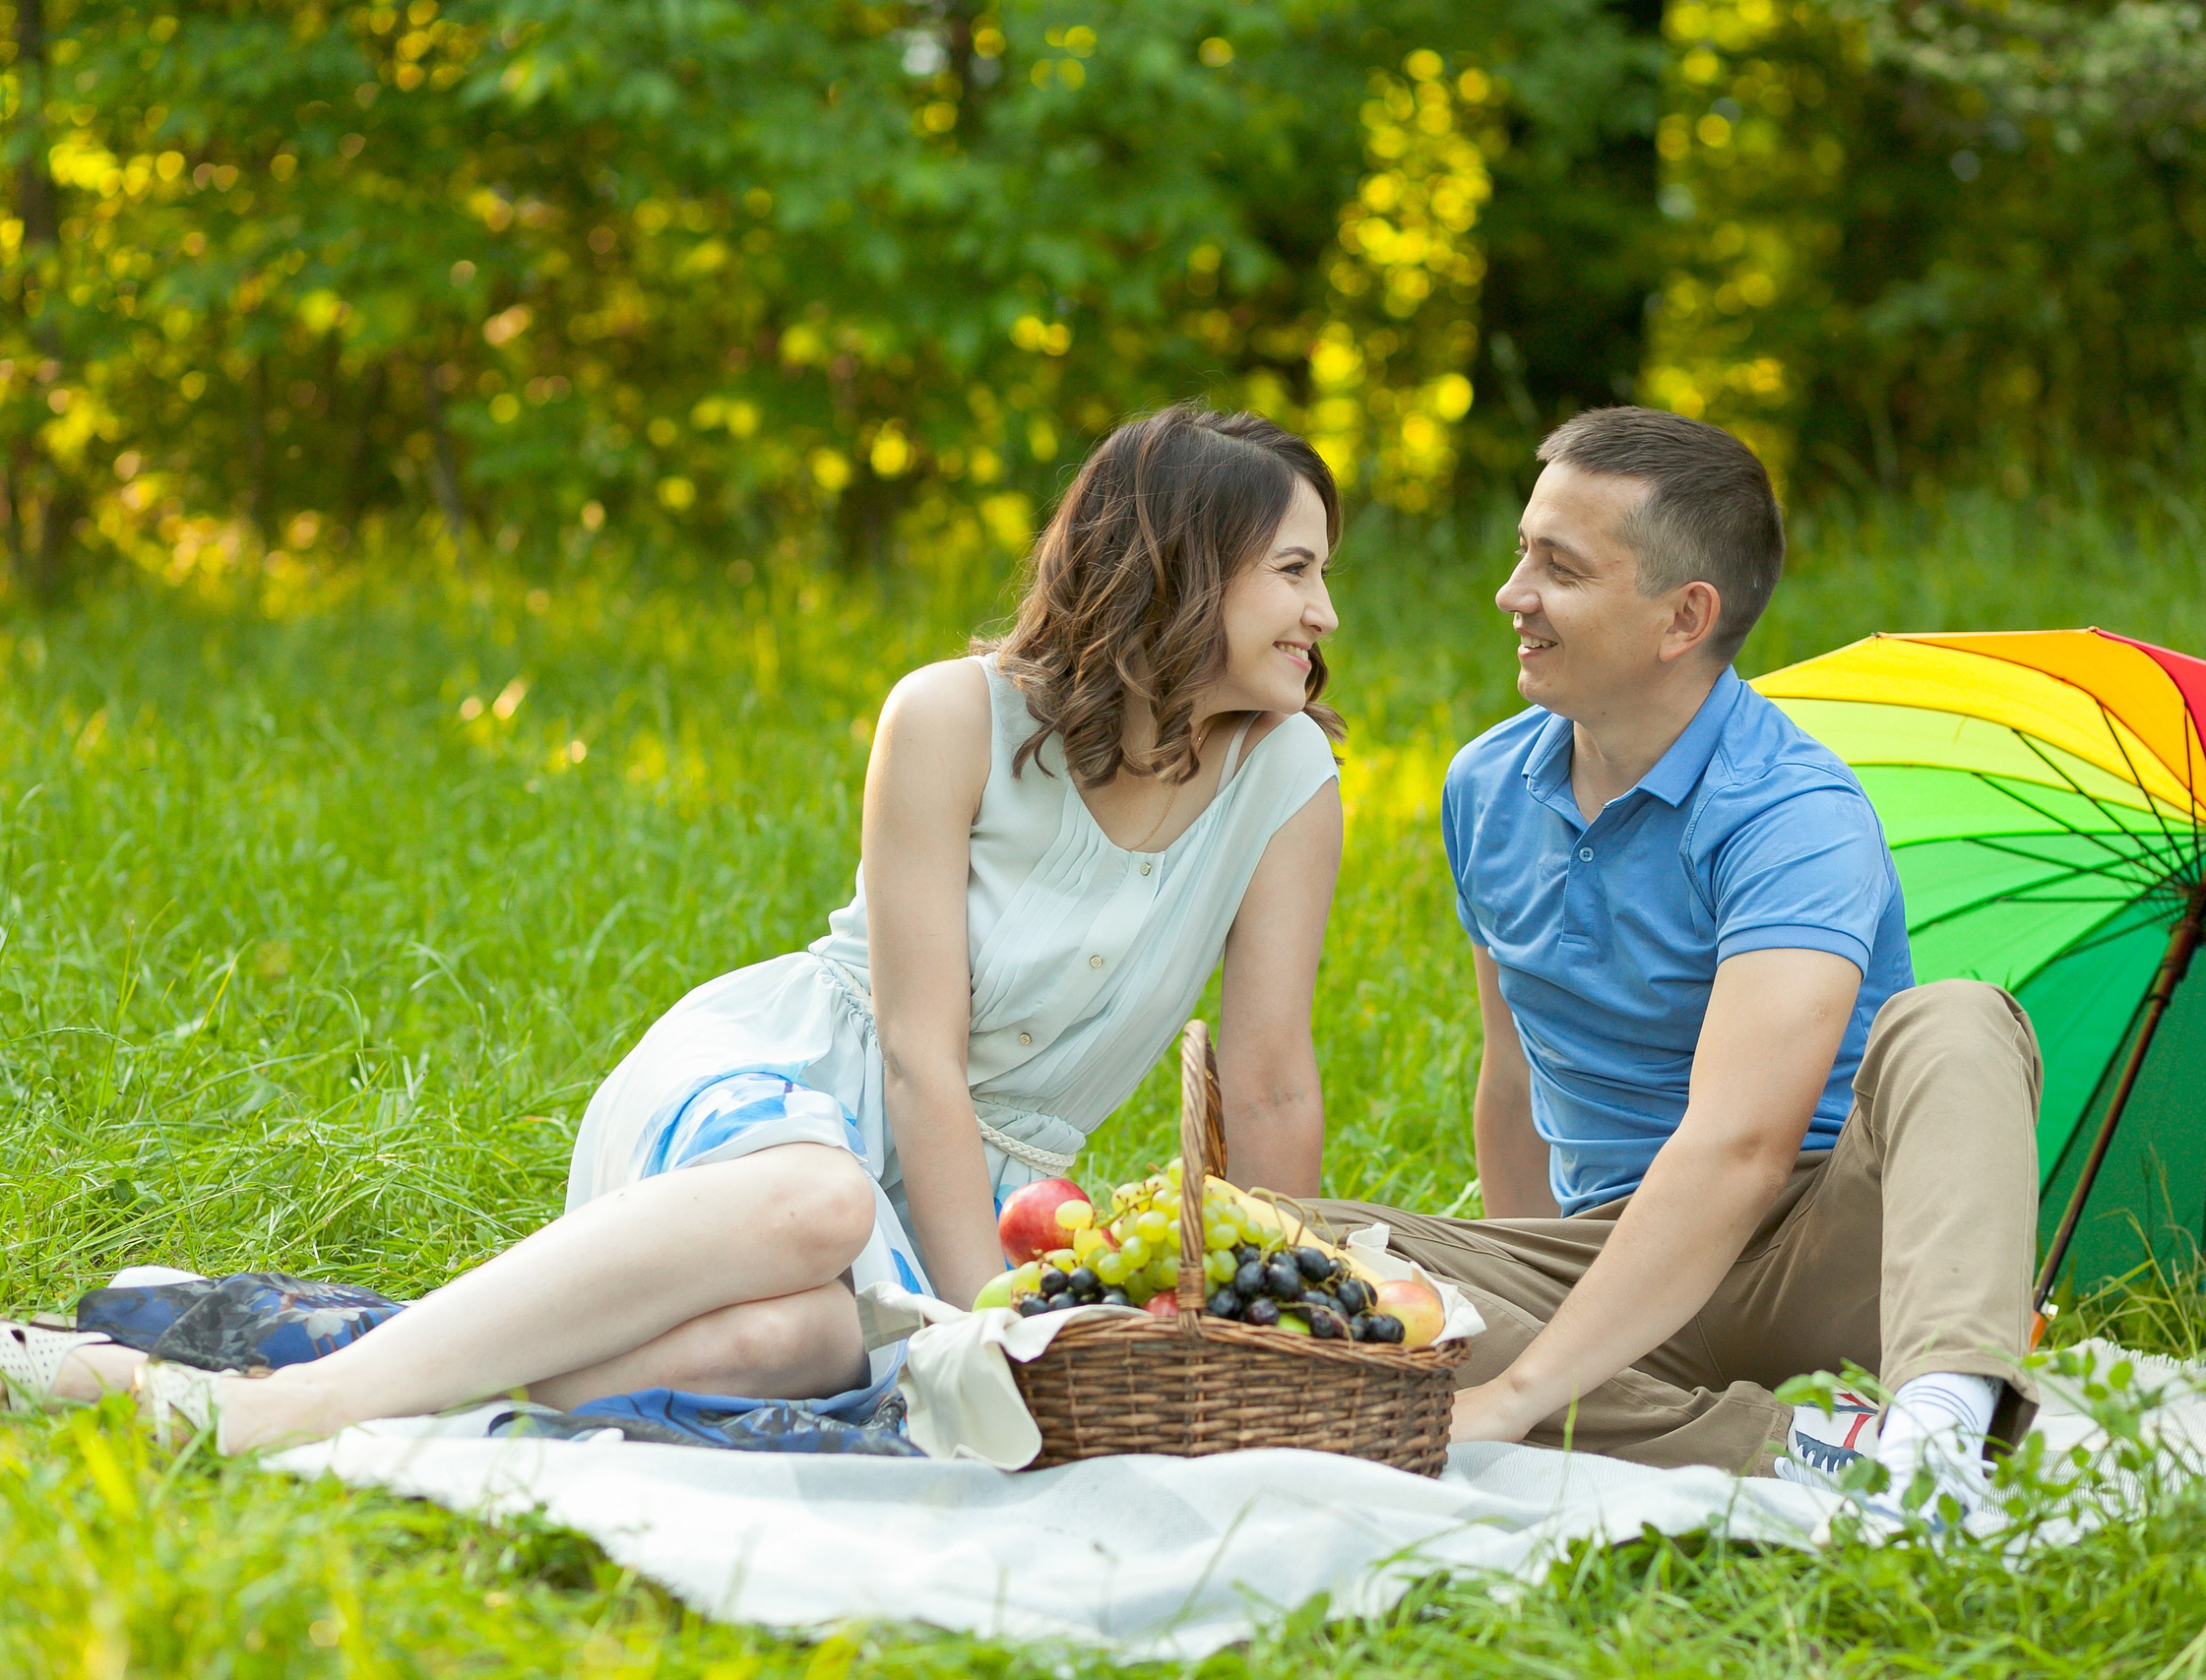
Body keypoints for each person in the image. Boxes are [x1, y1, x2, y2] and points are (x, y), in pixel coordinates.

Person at [4, 403, 1347, 1452]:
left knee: (794, 1340)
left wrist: (1290, 1336)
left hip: (988, 1204)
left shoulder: (1288, 779)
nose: (1324, 615)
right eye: (1293, 570)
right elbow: (919, 1053)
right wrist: (959, 1317)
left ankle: (282, 1369)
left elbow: (1273, 1073)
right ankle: (270, 1417)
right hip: (785, 1092)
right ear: (1183, 565)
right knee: (821, 1208)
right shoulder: (952, 717)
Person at [1303, 406, 2044, 1508]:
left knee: (1959, 1017)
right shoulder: (1484, 787)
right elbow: (1512, 1082)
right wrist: (1536, 1311)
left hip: (1814, 1251)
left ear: (1681, 617)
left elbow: (1742, 1151)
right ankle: (1793, 1452)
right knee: (1299, 1239)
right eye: (1521, 553)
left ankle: (1935, 1437)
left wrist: (1517, 1393)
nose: (1512, 595)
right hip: (1612, 1253)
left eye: (1558, 567)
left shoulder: (1792, 813)